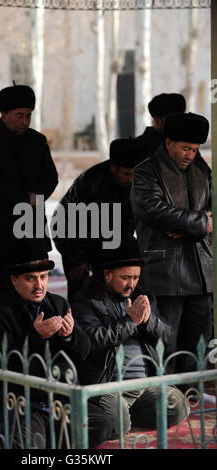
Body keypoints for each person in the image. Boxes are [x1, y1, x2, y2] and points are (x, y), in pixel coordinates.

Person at [0, 246, 113, 449]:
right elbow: (0, 363)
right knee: (31, 443)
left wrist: (70, 335)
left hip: (58, 401)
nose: (39, 285)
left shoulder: (57, 303)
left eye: (43, 277)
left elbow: (85, 350)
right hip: (22, 402)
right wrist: (36, 336)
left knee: (101, 425)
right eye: (30, 278)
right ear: (14, 280)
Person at [71, 233, 189, 437]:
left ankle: (128, 413)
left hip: (144, 383)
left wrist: (147, 321)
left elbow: (167, 336)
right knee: (117, 425)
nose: (131, 284)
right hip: (109, 385)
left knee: (179, 406)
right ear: (107, 274)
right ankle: (118, 414)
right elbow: (92, 340)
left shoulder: (142, 296)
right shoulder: (86, 300)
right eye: (125, 278)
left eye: (135, 278)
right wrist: (130, 322)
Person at [131, 112, 213, 381]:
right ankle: (161, 398)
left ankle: (189, 394)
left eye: (195, 149)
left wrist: (187, 225)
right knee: (162, 342)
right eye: (186, 148)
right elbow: (153, 210)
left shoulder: (202, 171)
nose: (191, 154)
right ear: (168, 143)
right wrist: (200, 223)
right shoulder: (146, 170)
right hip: (164, 273)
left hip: (202, 271)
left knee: (198, 341)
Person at [0, 84, 58, 334]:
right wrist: (26, 198)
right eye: (19, 115)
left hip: (31, 231)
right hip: (0, 235)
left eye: (28, 115)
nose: (24, 121)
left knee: (34, 293)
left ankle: (30, 348)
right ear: (4, 115)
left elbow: (51, 178)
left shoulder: (37, 141)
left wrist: (36, 197)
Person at [51, 138, 147, 302]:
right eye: (126, 174)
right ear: (113, 168)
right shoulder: (91, 183)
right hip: (69, 233)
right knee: (80, 285)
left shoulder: (134, 183)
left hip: (106, 232)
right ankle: (78, 323)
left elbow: (128, 223)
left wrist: (121, 252)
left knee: (110, 280)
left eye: (133, 175)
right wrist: (78, 261)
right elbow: (76, 225)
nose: (130, 179)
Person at [135, 93, 186, 158]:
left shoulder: (185, 145)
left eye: (181, 118)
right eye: (173, 119)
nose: (178, 123)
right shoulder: (138, 147)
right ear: (158, 120)